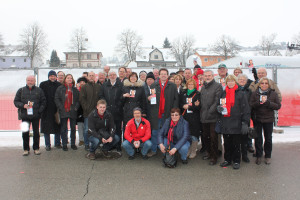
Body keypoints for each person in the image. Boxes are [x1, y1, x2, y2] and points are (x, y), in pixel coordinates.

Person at [218, 75, 250, 170]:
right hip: (226, 122)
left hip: (237, 122)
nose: (230, 83)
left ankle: (236, 161)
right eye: (229, 81)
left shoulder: (241, 93)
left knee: (236, 144)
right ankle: (227, 159)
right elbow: (219, 104)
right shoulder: (223, 93)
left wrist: (245, 122)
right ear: (226, 82)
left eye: (232, 81)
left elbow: (246, 109)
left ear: (235, 82)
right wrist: (218, 108)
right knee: (227, 143)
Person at [147, 68, 179, 157]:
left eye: (165, 74)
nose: (163, 75)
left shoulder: (172, 86)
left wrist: (174, 113)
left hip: (168, 113)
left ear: (168, 75)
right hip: (156, 114)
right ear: (159, 75)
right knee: (154, 132)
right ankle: (153, 150)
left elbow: (176, 99)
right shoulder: (154, 85)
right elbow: (151, 99)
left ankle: (166, 150)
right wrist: (149, 99)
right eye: (162, 74)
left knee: (167, 133)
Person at [250, 77, 281, 165]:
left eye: (266, 83)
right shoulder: (254, 93)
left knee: (268, 138)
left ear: (269, 84)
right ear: (259, 84)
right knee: (258, 138)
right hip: (258, 119)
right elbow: (251, 104)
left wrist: (268, 103)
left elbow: (278, 106)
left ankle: (268, 156)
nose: (264, 85)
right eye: (262, 83)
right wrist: (258, 103)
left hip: (268, 119)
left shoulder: (273, 93)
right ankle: (259, 155)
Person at [14, 75, 46, 156]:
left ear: (35, 81)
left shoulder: (39, 90)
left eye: (32, 80)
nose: (30, 82)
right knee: (25, 132)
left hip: (36, 116)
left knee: (36, 133)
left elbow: (44, 102)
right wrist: (23, 105)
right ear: (26, 81)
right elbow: (16, 101)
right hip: (25, 116)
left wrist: (39, 111)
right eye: (28, 80)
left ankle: (36, 148)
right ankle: (26, 149)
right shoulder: (21, 90)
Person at [200, 70, 223, 165]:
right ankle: (209, 152)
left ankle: (214, 156)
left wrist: (210, 111)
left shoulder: (218, 86)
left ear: (213, 76)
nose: (207, 77)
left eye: (209, 75)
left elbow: (217, 101)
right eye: (206, 76)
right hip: (203, 116)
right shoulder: (203, 87)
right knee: (206, 136)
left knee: (213, 138)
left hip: (213, 116)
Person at [99, 71, 124, 154]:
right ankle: (109, 145)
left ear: (116, 76)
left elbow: (122, 97)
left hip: (118, 111)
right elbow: (101, 96)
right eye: (110, 75)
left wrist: (118, 105)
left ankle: (118, 146)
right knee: (108, 129)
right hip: (107, 111)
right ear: (108, 76)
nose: (112, 76)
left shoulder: (120, 85)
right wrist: (105, 106)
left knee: (118, 130)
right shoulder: (104, 85)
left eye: (114, 75)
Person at [55, 74, 80, 151]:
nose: (69, 79)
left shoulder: (75, 89)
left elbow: (79, 100)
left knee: (73, 128)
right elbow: (56, 98)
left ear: (72, 80)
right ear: (65, 79)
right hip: (64, 111)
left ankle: (73, 143)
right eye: (68, 78)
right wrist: (61, 107)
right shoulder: (60, 88)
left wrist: (76, 107)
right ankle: (64, 144)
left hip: (73, 111)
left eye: (71, 78)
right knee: (63, 128)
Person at [39, 70, 62, 151]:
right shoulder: (43, 84)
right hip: (46, 110)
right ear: (48, 76)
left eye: (54, 76)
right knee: (46, 128)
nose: (52, 77)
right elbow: (40, 96)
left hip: (56, 110)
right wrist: (42, 107)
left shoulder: (59, 85)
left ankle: (57, 143)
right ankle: (47, 144)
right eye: (51, 76)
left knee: (57, 126)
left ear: (56, 77)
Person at [79, 71, 101, 150]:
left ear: (95, 77)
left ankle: (96, 143)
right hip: (87, 112)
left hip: (97, 113)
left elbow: (100, 99)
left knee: (96, 129)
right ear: (87, 77)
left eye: (93, 75)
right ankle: (86, 144)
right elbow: (82, 99)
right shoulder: (84, 87)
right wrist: (87, 108)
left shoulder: (98, 86)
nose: (91, 77)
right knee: (86, 130)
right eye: (90, 76)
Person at [180, 79, 201, 159]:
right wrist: (183, 106)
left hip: (194, 117)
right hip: (185, 116)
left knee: (194, 134)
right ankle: (188, 149)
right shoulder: (183, 93)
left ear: (194, 85)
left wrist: (190, 107)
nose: (190, 85)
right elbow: (180, 103)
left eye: (192, 84)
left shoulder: (197, 94)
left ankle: (193, 150)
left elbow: (198, 106)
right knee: (187, 134)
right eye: (189, 84)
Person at [237, 74, 253, 162]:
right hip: (236, 117)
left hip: (245, 116)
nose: (242, 81)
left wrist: (247, 112)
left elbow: (251, 103)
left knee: (244, 136)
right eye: (240, 79)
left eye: (244, 79)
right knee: (236, 137)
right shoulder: (235, 90)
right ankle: (237, 154)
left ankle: (244, 155)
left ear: (246, 81)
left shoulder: (249, 91)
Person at [76, 76, 88, 146]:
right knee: (80, 126)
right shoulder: (77, 91)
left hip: (87, 110)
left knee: (87, 127)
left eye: (83, 82)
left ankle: (87, 139)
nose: (82, 83)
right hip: (79, 111)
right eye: (80, 82)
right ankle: (81, 140)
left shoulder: (88, 90)